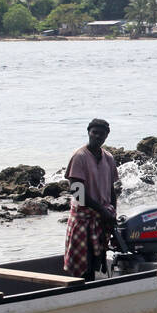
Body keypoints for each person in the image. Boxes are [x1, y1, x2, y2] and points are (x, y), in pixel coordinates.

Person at [63, 119, 119, 281]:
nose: (97, 136)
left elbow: (111, 190)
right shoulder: (79, 157)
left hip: (102, 216)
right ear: (89, 132)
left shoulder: (108, 158)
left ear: (107, 136)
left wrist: (112, 212)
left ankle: (92, 287)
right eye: (94, 132)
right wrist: (101, 210)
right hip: (84, 217)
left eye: (101, 134)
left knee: (98, 258)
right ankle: (81, 290)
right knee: (82, 260)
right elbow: (77, 191)